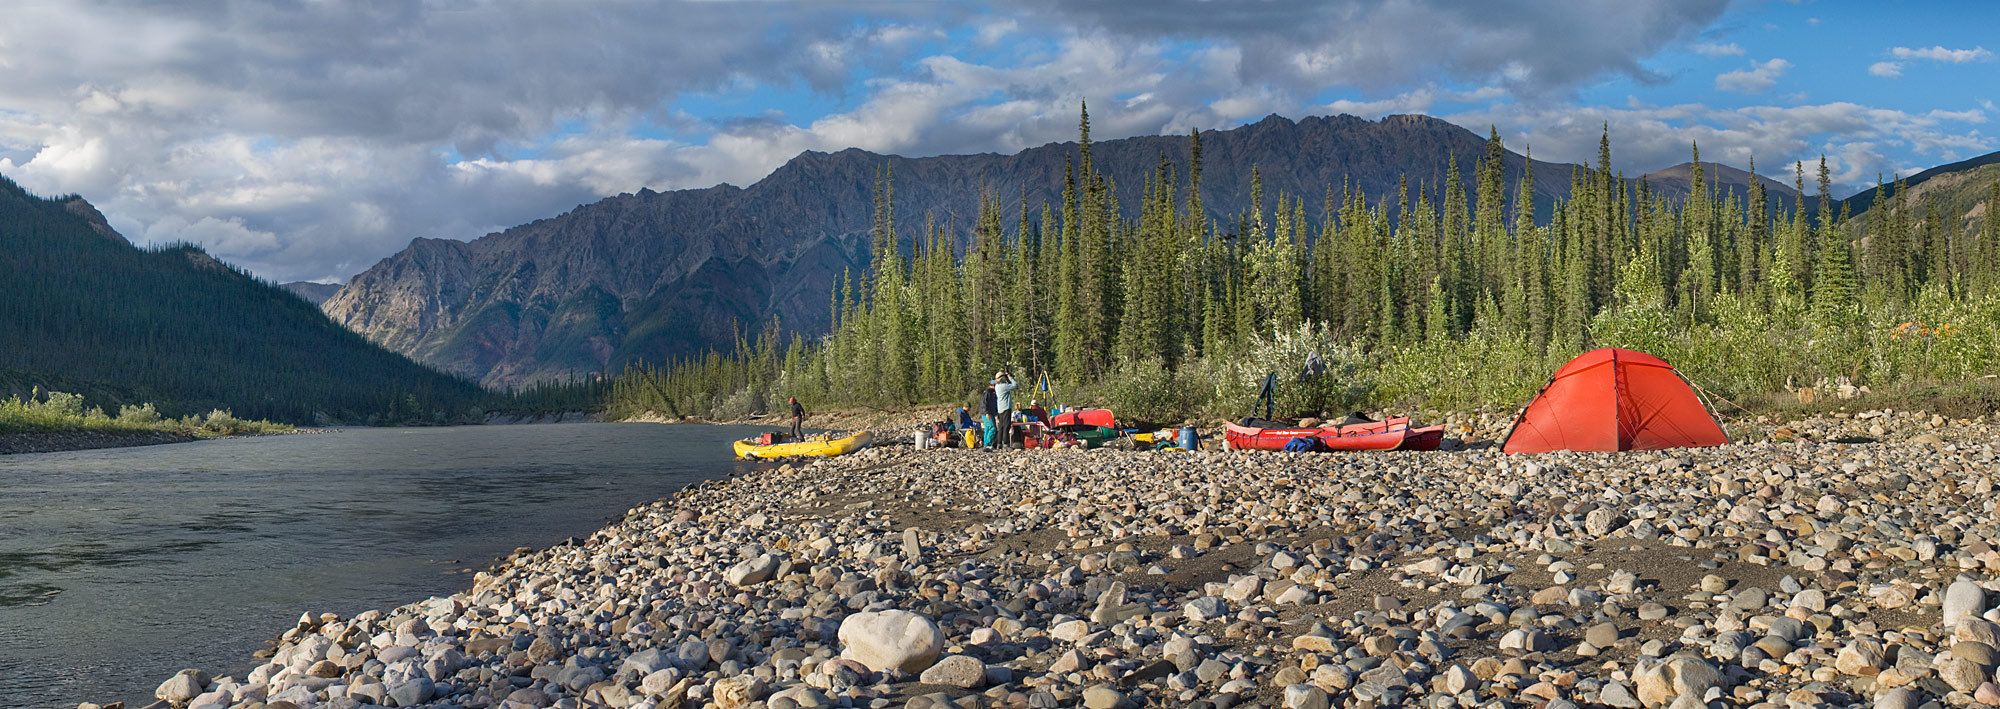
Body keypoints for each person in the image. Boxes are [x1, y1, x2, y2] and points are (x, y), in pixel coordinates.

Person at [993, 371, 1018, 446]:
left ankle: (999, 443)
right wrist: (1009, 377)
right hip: (1006, 407)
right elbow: (1015, 385)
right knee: (1006, 426)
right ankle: (1006, 442)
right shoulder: (1004, 386)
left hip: (1000, 408)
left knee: (1001, 426)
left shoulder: (997, 386)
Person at [980, 383, 999, 449]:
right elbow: (984, 403)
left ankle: (986, 445)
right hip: (987, 413)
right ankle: (988, 444)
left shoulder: (993, 393)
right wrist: (986, 413)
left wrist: (996, 414)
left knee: (987, 429)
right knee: (992, 428)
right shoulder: (987, 392)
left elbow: (994, 405)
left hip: (991, 413)